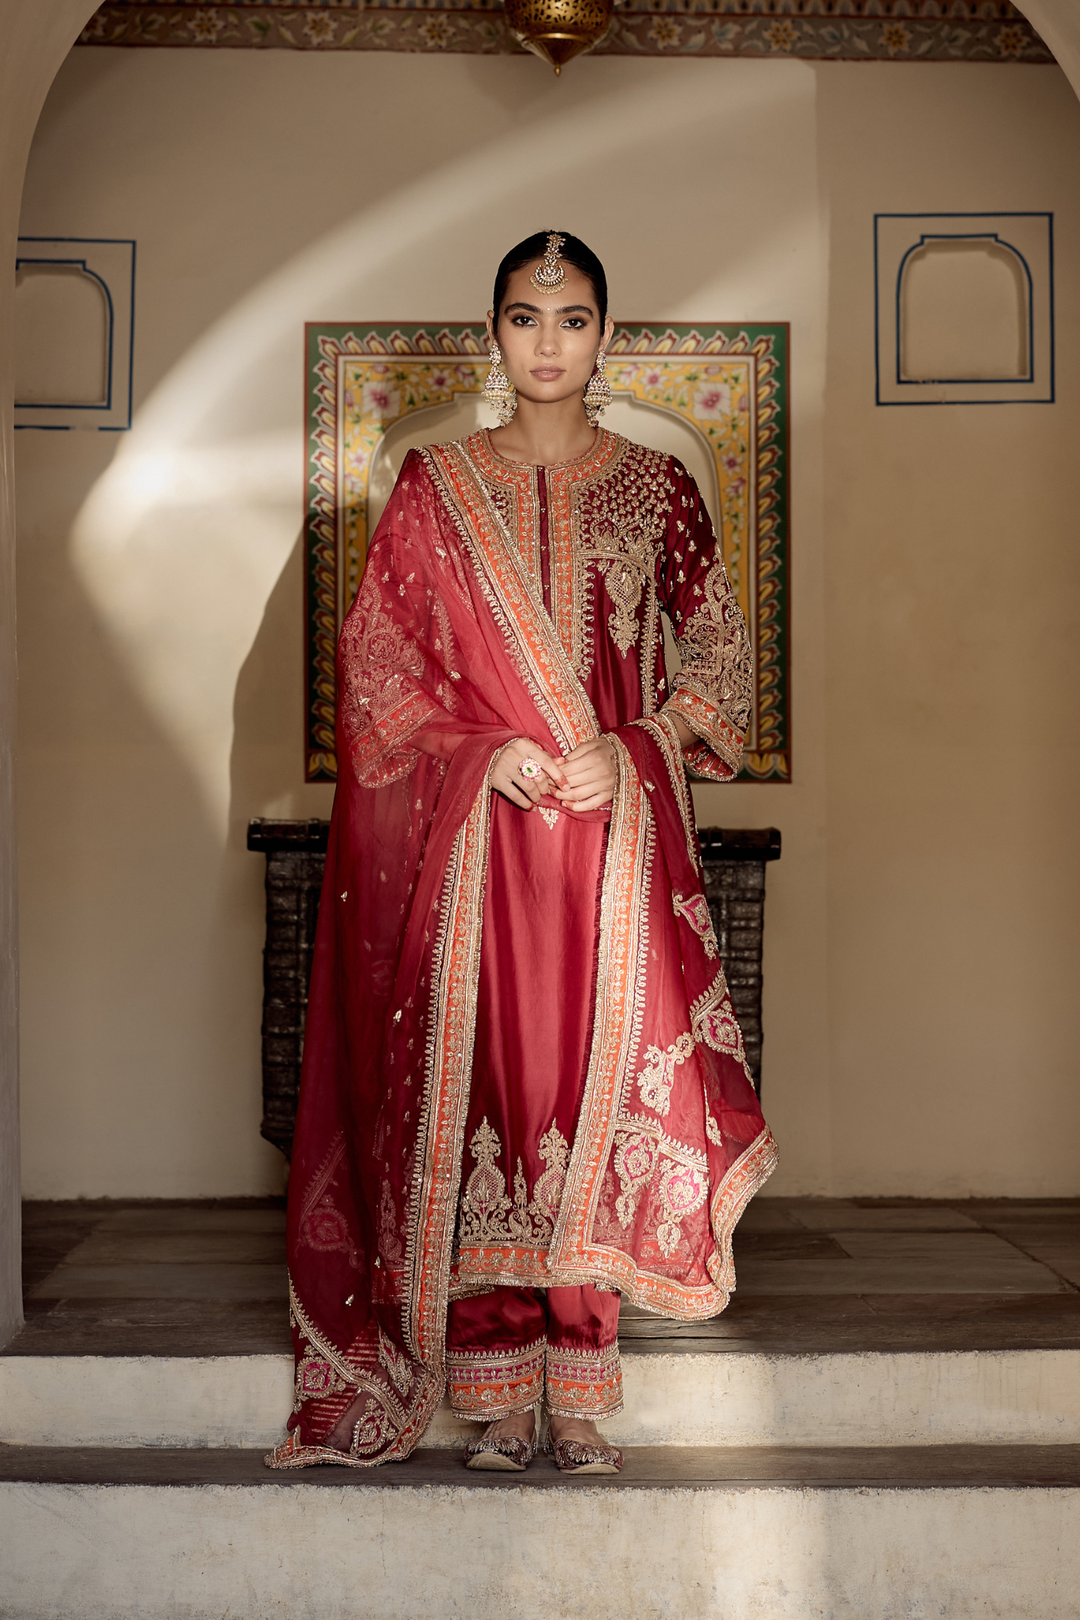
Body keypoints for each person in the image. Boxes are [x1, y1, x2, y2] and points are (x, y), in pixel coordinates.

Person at [266, 230, 777, 1478]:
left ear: (608, 336)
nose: (548, 342)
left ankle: (584, 1390)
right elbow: (379, 673)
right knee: (493, 1092)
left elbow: (720, 672)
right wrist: (474, 750)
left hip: (610, 848)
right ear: (492, 333)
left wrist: (637, 741)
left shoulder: (660, 489)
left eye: (574, 318)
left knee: (590, 1102)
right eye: (524, 318)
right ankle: (496, 1393)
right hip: (477, 853)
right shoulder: (436, 486)